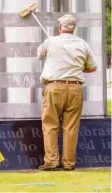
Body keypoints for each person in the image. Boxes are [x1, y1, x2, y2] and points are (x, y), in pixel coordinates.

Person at [37, 14, 97, 171]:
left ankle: (51, 161)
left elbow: (40, 55)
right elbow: (92, 67)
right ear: (73, 28)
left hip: (54, 87)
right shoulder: (83, 44)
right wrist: (75, 67)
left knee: (50, 125)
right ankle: (69, 163)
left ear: (59, 27)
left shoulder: (51, 41)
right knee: (71, 127)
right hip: (75, 88)